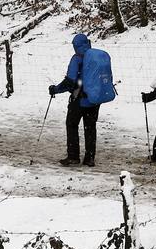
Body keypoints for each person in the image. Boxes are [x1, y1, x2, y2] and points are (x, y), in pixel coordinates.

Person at [48, 33, 115, 166]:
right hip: (94, 98)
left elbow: (70, 82)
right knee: (90, 127)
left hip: (79, 98)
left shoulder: (77, 59)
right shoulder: (95, 57)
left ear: (75, 46)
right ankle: (89, 158)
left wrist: (55, 89)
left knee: (72, 125)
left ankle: (73, 156)